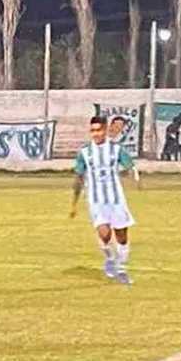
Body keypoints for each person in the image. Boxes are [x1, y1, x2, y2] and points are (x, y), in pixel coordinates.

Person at [71, 115, 136, 285]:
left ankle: (122, 269)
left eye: (99, 130)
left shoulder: (117, 149)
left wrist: (132, 177)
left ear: (105, 130)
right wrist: (74, 203)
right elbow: (79, 177)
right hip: (96, 200)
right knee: (105, 234)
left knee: (121, 236)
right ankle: (110, 258)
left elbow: (130, 166)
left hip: (116, 199)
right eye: (93, 130)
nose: (96, 134)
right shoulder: (85, 153)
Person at [107, 115, 142, 188]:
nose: (119, 127)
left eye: (121, 125)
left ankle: (136, 182)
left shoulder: (119, 139)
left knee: (131, 167)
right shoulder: (103, 136)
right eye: (117, 125)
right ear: (111, 125)